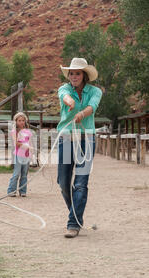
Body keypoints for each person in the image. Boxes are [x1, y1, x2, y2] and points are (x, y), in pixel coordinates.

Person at [57, 57, 102, 238]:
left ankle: (73, 223)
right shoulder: (64, 89)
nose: (74, 76)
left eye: (77, 73)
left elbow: (93, 106)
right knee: (63, 183)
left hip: (86, 138)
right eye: (72, 73)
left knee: (81, 183)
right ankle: (76, 213)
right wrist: (70, 102)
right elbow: (64, 96)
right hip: (66, 138)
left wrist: (81, 113)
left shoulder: (95, 91)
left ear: (84, 75)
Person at [7, 112, 33, 197]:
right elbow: (15, 143)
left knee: (24, 174)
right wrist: (23, 145)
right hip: (18, 155)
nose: (21, 122)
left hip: (27, 155)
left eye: (23, 120)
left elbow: (30, 143)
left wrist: (31, 153)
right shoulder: (14, 131)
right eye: (19, 120)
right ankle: (11, 191)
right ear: (16, 122)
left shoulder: (28, 132)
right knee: (16, 173)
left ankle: (23, 191)